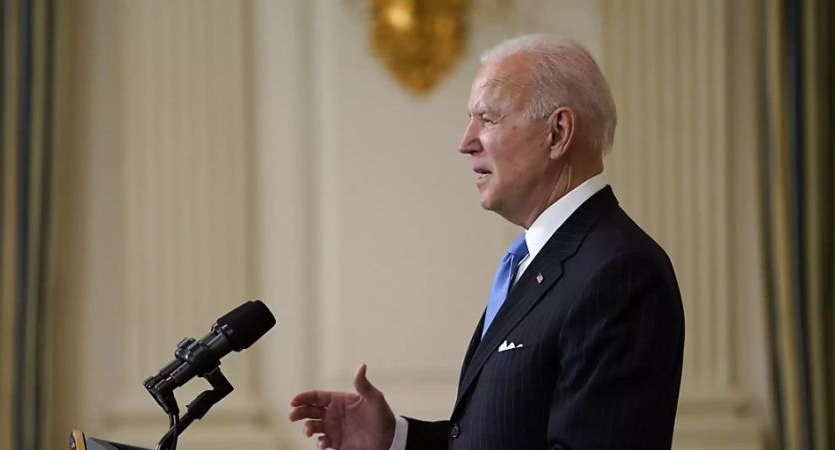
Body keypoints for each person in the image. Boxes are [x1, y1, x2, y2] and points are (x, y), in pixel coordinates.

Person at [289, 33, 684, 450]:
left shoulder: (619, 272)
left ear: (558, 133)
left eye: (487, 119)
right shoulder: (538, 261)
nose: (465, 142)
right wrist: (398, 439)